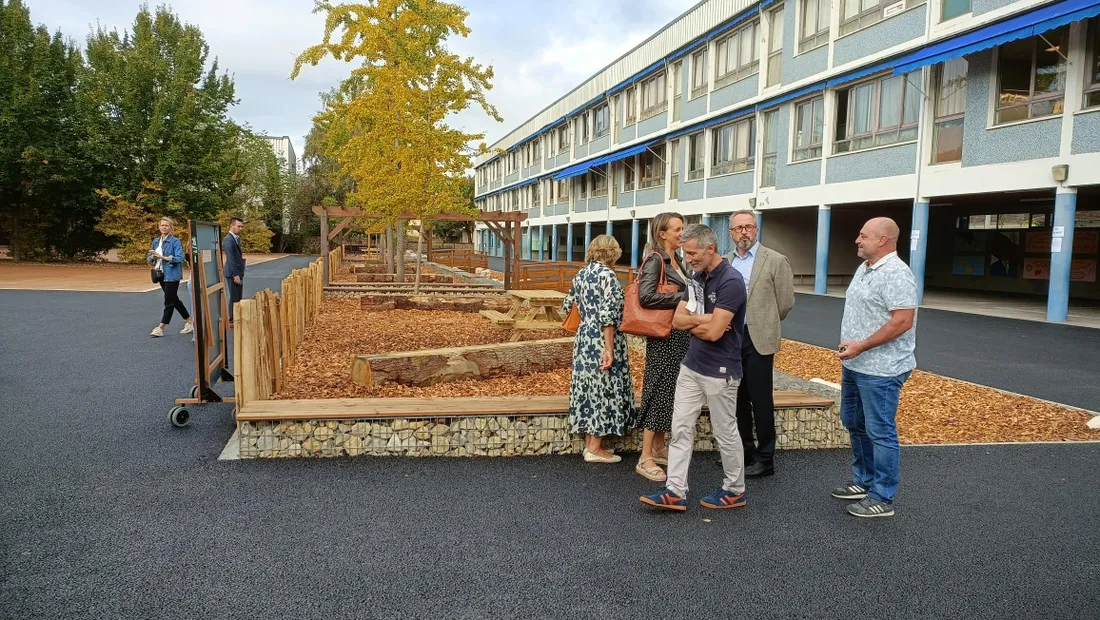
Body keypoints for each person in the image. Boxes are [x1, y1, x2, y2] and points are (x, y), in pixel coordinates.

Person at [641, 224, 747, 511]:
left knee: (725, 432)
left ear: (710, 248)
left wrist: (702, 323)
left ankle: (735, 490)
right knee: (681, 429)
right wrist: (707, 320)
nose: (688, 259)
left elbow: (715, 334)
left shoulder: (731, 282)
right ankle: (675, 490)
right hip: (691, 365)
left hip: (721, 370)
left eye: (692, 253)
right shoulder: (697, 277)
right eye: (685, 253)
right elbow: (678, 322)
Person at [832, 217, 917, 519]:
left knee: (880, 431)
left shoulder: (897, 274)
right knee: (853, 421)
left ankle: (882, 496)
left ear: (882, 240)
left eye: (863, 235)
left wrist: (862, 345)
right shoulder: (864, 268)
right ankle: (863, 481)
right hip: (855, 363)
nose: (857, 239)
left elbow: (903, 321)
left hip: (882, 369)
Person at [724, 210, 795, 477]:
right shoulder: (726, 262)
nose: (744, 232)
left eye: (749, 227)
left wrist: (763, 322)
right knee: (737, 398)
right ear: (731, 233)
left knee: (760, 399)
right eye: (739, 228)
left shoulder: (775, 260)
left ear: (756, 230)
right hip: (731, 340)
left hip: (759, 340)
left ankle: (766, 458)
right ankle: (744, 452)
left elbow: (785, 302)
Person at [561, 234, 636, 463]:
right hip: (602, 340)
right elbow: (608, 319)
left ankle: (589, 444)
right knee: (602, 390)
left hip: (584, 339)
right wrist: (609, 349)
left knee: (588, 389)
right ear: (613, 253)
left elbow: (566, 307)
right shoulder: (609, 277)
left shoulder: (582, 274)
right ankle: (595, 448)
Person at [634, 212, 690, 482]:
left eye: (682, 228)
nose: (682, 233)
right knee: (658, 391)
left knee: (670, 392)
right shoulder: (655, 260)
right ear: (662, 234)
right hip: (664, 337)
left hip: (678, 335)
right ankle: (645, 457)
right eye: (677, 229)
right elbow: (645, 297)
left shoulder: (678, 260)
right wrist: (684, 296)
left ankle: (657, 447)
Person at [147, 217, 194, 338]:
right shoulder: (156, 241)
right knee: (174, 299)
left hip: (172, 275)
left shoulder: (175, 241)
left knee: (169, 301)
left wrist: (162, 257)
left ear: (171, 228)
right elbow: (149, 258)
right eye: (162, 225)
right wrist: (153, 257)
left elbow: (179, 258)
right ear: (159, 227)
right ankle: (190, 322)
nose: (164, 227)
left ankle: (160, 327)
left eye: (166, 226)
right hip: (161, 274)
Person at [222, 217, 246, 323]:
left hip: (238, 272)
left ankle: (236, 316)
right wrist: (235, 274)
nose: (241, 228)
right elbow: (231, 258)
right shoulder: (228, 240)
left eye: (242, 226)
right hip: (232, 273)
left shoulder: (236, 238)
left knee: (238, 295)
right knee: (234, 296)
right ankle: (232, 318)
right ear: (232, 226)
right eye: (239, 226)